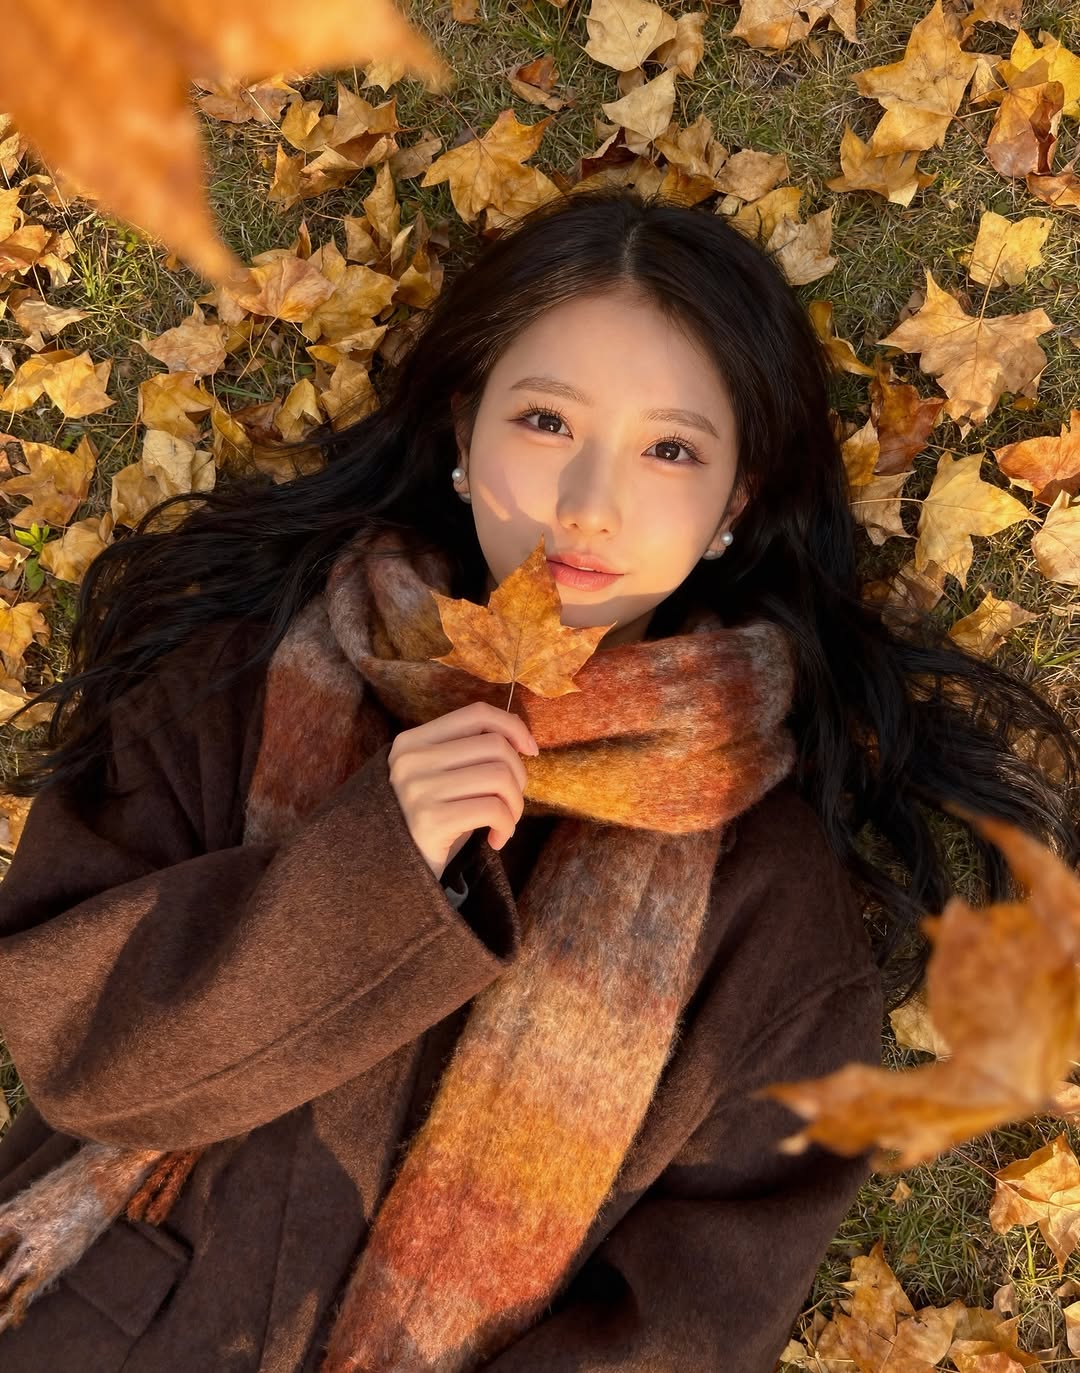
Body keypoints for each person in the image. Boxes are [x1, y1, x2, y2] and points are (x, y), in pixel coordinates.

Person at [0, 183, 1075, 1373]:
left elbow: (680, 1335)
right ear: (464, 433)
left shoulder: (777, 923)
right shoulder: (239, 681)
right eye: (547, 420)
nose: (588, 504)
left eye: (671, 448)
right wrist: (368, 873)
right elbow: (75, 1053)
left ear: (737, 500)